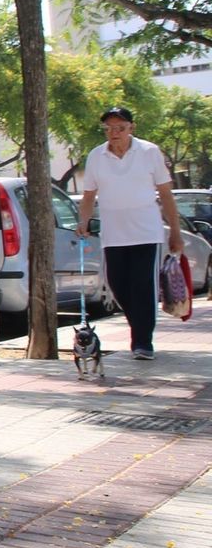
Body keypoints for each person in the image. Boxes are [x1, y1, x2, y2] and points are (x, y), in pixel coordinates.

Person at [78, 106, 184, 361]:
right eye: (109, 128)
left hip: (146, 232)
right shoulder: (96, 156)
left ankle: (142, 341)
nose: (114, 133)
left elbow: (166, 194)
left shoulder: (149, 152)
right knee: (117, 285)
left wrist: (176, 232)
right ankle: (139, 326)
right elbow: (89, 195)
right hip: (114, 234)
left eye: (120, 128)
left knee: (142, 286)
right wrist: (83, 220)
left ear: (131, 128)